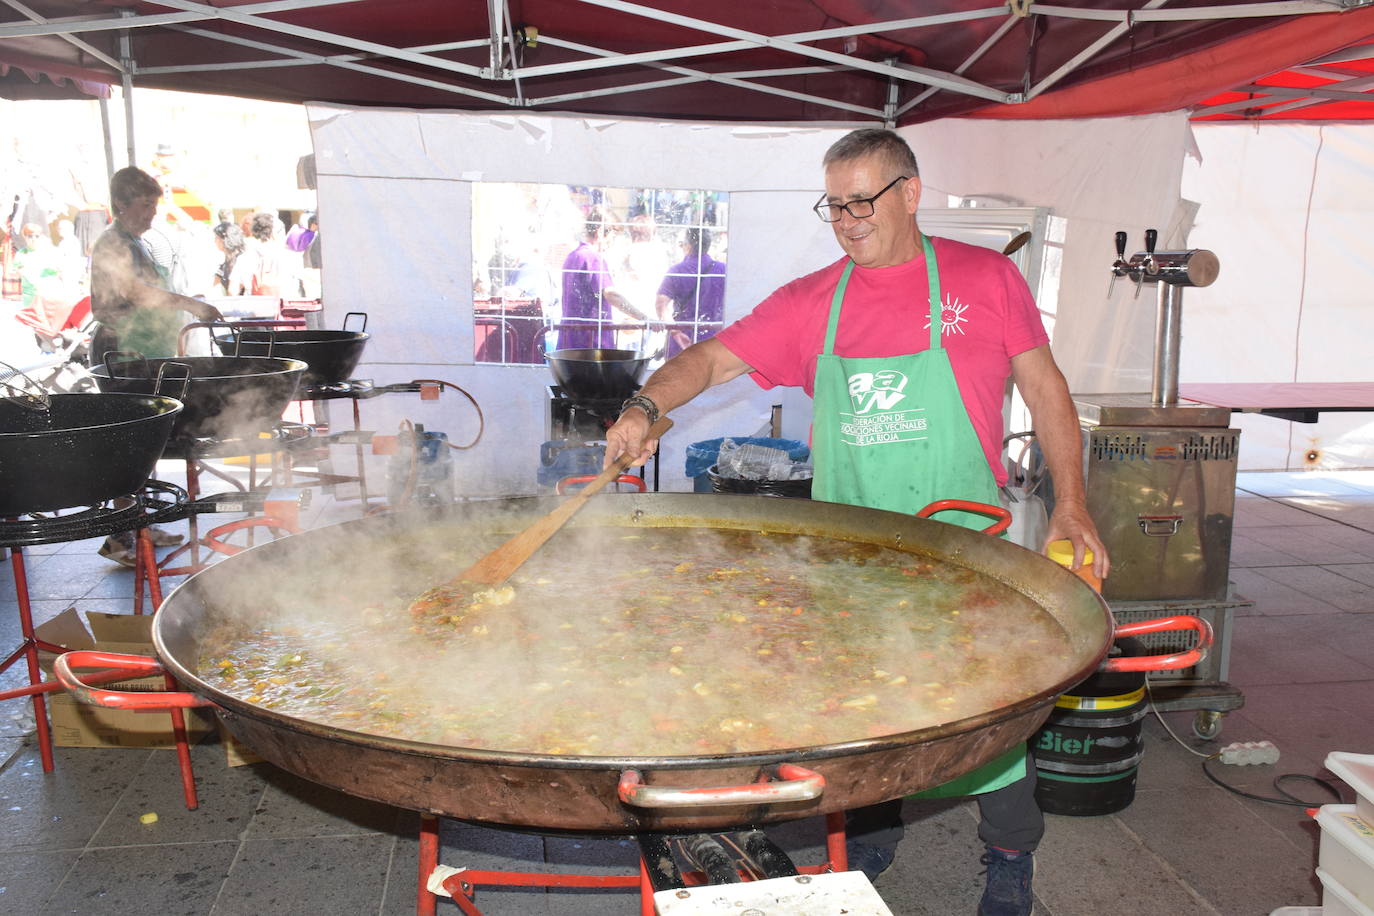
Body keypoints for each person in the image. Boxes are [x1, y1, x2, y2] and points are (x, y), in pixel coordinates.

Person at [603, 129, 1109, 916]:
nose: (847, 220)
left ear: (910, 193)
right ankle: (872, 835)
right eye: (834, 205)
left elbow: (1047, 394)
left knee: (989, 718)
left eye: (862, 200)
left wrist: (1071, 504)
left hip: (965, 553)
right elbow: (709, 360)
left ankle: (1011, 854)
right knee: (870, 709)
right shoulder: (813, 302)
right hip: (853, 560)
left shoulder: (987, 278)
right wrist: (643, 405)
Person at [89, 166, 222, 567]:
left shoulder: (136, 243)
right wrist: (188, 303)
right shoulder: (113, 243)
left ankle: (142, 525)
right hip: (122, 352)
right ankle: (118, 537)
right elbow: (132, 291)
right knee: (130, 447)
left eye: (154, 204)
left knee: (146, 446)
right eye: (145, 205)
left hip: (145, 351)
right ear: (121, 204)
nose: (152, 213)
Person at [556, 209, 646, 350]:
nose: (612, 242)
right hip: (591, 343)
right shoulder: (593, 258)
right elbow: (612, 295)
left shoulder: (572, 256)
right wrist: (643, 317)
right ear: (600, 232)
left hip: (570, 341)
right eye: (613, 236)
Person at [655, 227, 726, 359]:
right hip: (714, 338)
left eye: (681, 244)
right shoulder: (723, 270)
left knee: (678, 378)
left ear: (688, 245)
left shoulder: (677, 270)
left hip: (682, 338)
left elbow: (661, 305)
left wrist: (675, 333)